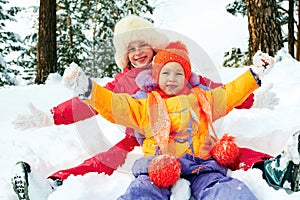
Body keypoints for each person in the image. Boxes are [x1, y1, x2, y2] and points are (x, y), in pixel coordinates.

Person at [11, 15, 278, 183]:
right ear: (124, 55)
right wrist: (51, 116)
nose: (138, 52)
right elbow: (90, 102)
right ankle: (57, 183)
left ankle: (271, 167)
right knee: (106, 158)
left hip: (189, 132)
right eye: (131, 48)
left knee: (224, 150)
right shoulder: (122, 82)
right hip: (141, 138)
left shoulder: (173, 67)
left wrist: (252, 99)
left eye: (142, 45)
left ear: (153, 44)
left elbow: (213, 92)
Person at [58, 41, 283, 199]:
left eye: (178, 73)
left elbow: (230, 94)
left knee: (225, 189)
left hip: (200, 165)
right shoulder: (146, 103)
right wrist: (87, 89)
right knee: (141, 191)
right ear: (156, 77)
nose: (172, 78)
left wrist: (254, 74)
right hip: (159, 167)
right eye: (166, 73)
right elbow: (116, 105)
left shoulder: (202, 98)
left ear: (187, 77)